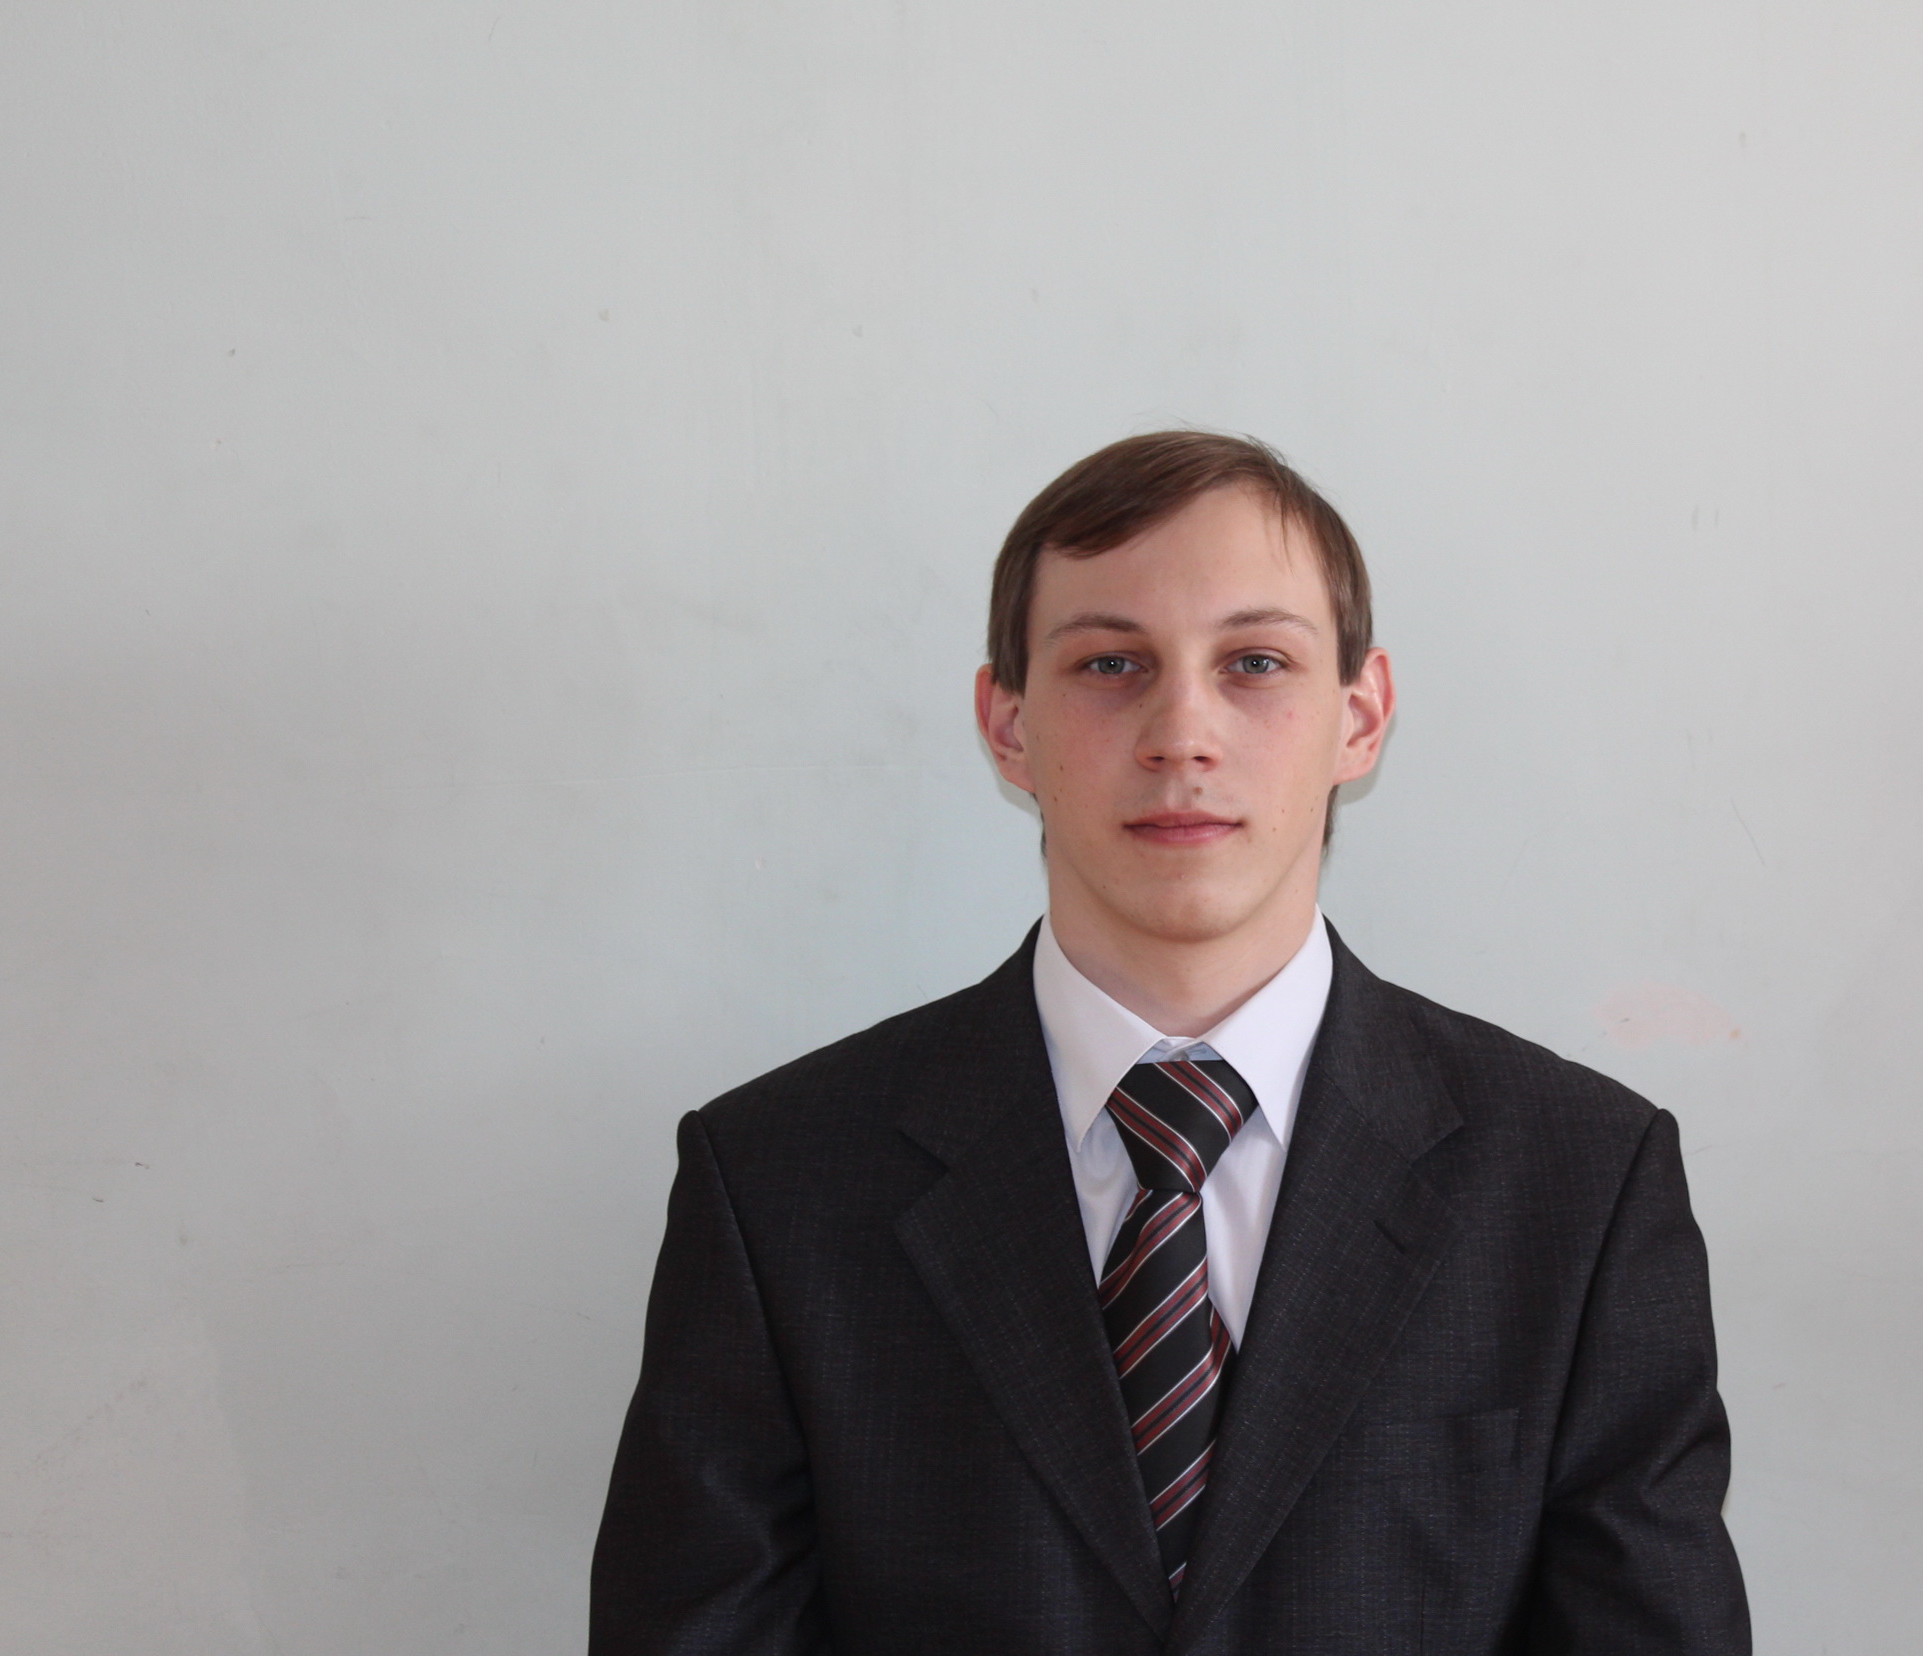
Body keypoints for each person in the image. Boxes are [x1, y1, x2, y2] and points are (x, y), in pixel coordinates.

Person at [589, 431, 1750, 1654]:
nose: (1181, 733)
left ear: (1359, 718)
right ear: (1007, 725)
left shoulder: (1580, 1182)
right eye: (1109, 663)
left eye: (1254, 662)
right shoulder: (776, 1183)